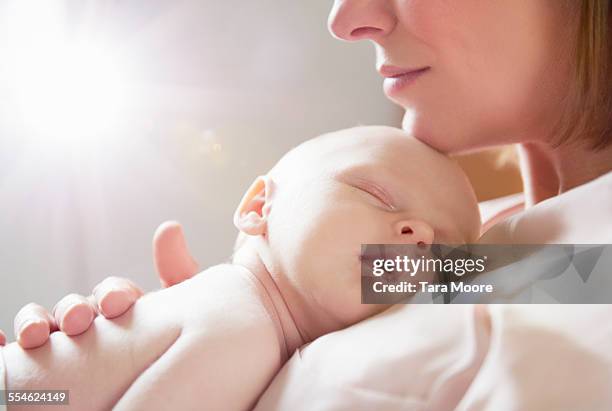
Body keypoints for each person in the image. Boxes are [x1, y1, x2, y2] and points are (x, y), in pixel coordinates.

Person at [2, 0, 611, 407]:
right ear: (258, 206)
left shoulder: (550, 266)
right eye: (370, 192)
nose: (345, 17)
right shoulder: (479, 257)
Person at [0, 127, 482, 410]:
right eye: (377, 195)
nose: (418, 235)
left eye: (440, 252)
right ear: (259, 207)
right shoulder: (244, 324)